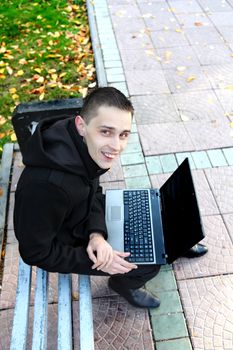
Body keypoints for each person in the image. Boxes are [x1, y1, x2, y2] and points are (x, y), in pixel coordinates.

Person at [14, 87, 207, 309]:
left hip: (80, 214)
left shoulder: (77, 142)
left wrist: (96, 233)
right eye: (106, 132)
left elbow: (93, 191)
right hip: (66, 238)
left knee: (151, 209)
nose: (116, 146)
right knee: (146, 262)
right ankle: (125, 284)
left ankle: (173, 243)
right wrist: (101, 258)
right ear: (81, 125)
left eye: (123, 134)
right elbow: (35, 252)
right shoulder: (48, 188)